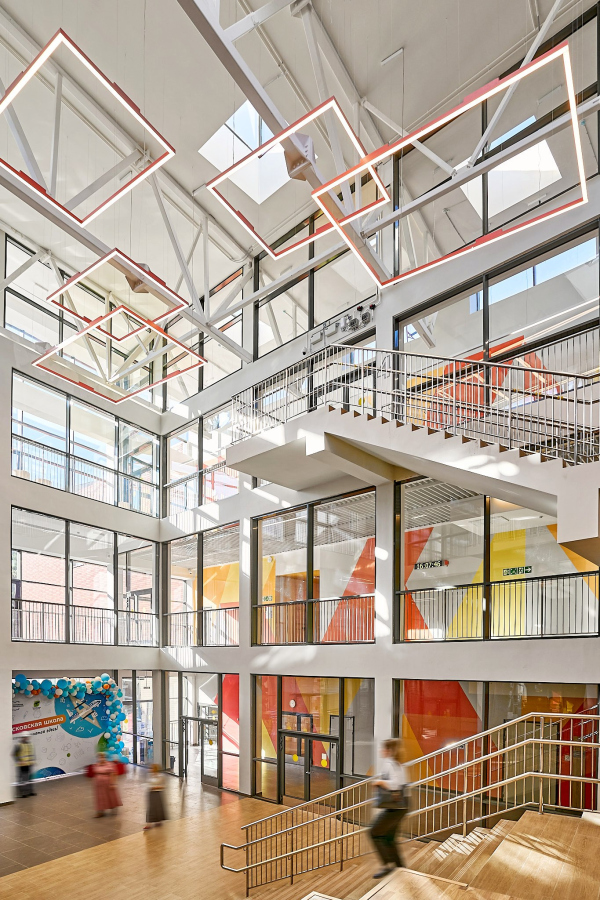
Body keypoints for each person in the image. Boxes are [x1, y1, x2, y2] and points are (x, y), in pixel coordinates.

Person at [369, 738, 410, 879]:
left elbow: (396, 784)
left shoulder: (391, 763)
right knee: (389, 837)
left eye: (383, 748)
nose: (381, 751)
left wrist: (380, 782)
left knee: (374, 832)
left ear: (389, 750)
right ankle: (399, 867)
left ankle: (388, 865)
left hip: (396, 807)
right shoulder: (398, 763)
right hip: (401, 806)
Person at [89, 752, 122, 817]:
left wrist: (113, 783)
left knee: (110, 796)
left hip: (108, 783)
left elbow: (114, 774)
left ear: (105, 758)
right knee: (100, 797)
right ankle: (100, 811)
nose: (101, 758)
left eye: (103, 757)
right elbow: (95, 773)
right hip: (99, 785)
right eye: (100, 757)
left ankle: (113, 808)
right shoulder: (96, 765)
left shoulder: (110, 764)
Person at [144, 763, 167, 830]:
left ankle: (158, 820)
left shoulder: (161, 776)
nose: (150, 770)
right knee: (151, 808)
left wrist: (157, 787)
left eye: (152, 768)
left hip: (158, 793)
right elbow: (147, 783)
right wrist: (150, 787)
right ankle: (149, 823)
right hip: (151, 793)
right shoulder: (149, 776)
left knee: (158, 807)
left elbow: (164, 785)